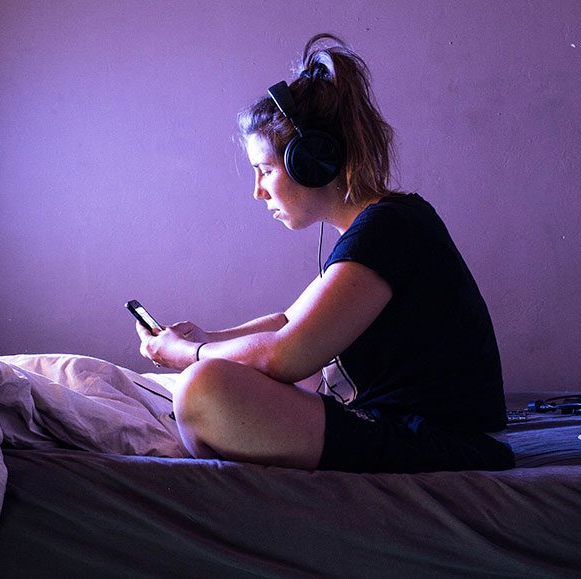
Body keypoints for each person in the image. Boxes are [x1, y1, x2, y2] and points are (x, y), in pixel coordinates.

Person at [135, 34, 513, 474]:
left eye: (265, 171)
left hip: (444, 444)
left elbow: (285, 354)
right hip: (425, 432)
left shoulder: (390, 228)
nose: (257, 191)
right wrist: (205, 338)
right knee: (206, 383)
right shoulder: (385, 224)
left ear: (310, 162)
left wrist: (189, 355)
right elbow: (288, 323)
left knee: (202, 387)